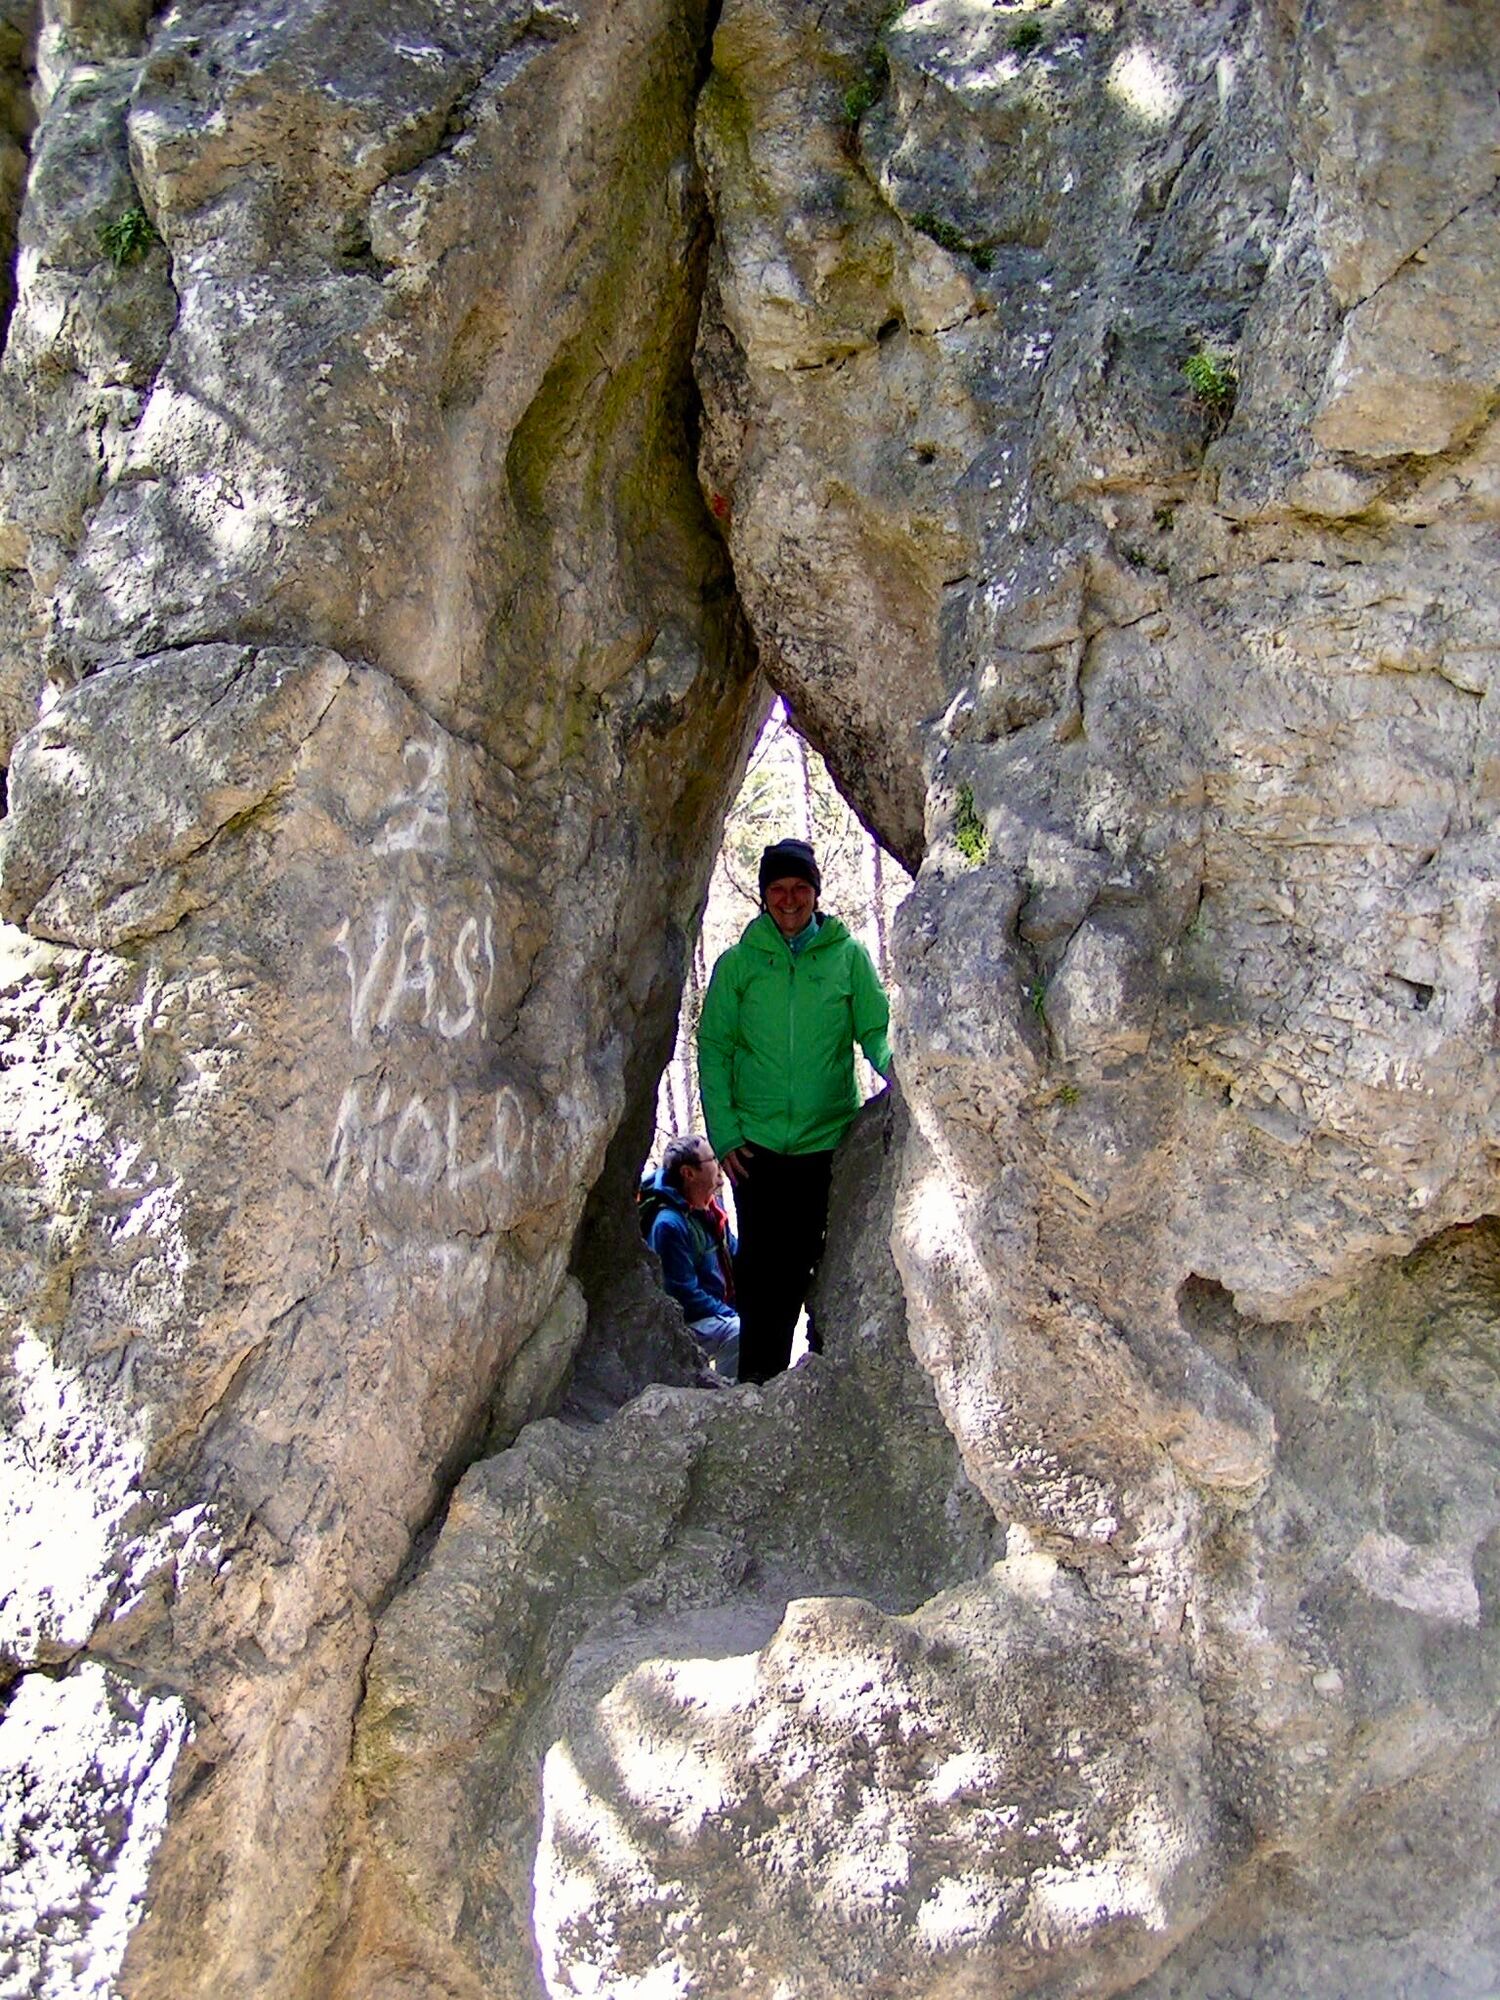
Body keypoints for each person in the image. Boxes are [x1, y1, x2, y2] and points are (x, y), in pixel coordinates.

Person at [697, 837, 891, 1384]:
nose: (789, 899)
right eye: (778, 888)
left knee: (827, 1267)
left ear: (815, 892)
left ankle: (826, 1386)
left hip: (827, 1145)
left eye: (800, 887)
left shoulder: (847, 957)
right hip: (755, 1152)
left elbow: (875, 1031)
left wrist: (902, 1073)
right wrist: (725, 1133)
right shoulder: (739, 965)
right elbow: (714, 1049)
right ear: (764, 895)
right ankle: (759, 1391)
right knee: (764, 1279)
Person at [642, 1134, 740, 1380]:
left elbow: (737, 1257)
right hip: (686, 1325)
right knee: (740, 1331)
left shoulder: (712, 1210)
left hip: (715, 1313)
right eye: (712, 1159)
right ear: (689, 1173)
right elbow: (684, 1296)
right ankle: (732, 1394)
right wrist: (732, 1314)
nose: (719, 1164)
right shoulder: (669, 1225)